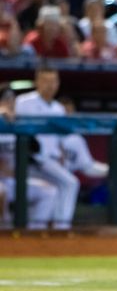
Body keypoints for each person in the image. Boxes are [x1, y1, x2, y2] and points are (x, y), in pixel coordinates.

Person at [14, 67, 79, 230]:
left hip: (51, 160)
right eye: (46, 81)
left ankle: (39, 230)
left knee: (54, 190)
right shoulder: (23, 102)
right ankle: (61, 228)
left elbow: (59, 140)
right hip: (31, 159)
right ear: (37, 82)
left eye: (53, 81)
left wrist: (62, 154)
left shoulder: (58, 108)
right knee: (70, 183)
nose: (50, 85)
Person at [0, 87, 57, 230]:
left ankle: (34, 233)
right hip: (2, 181)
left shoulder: (19, 123)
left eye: (12, 99)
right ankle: (4, 229)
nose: (9, 103)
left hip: (14, 180)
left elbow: (36, 149)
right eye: (5, 99)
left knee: (49, 191)